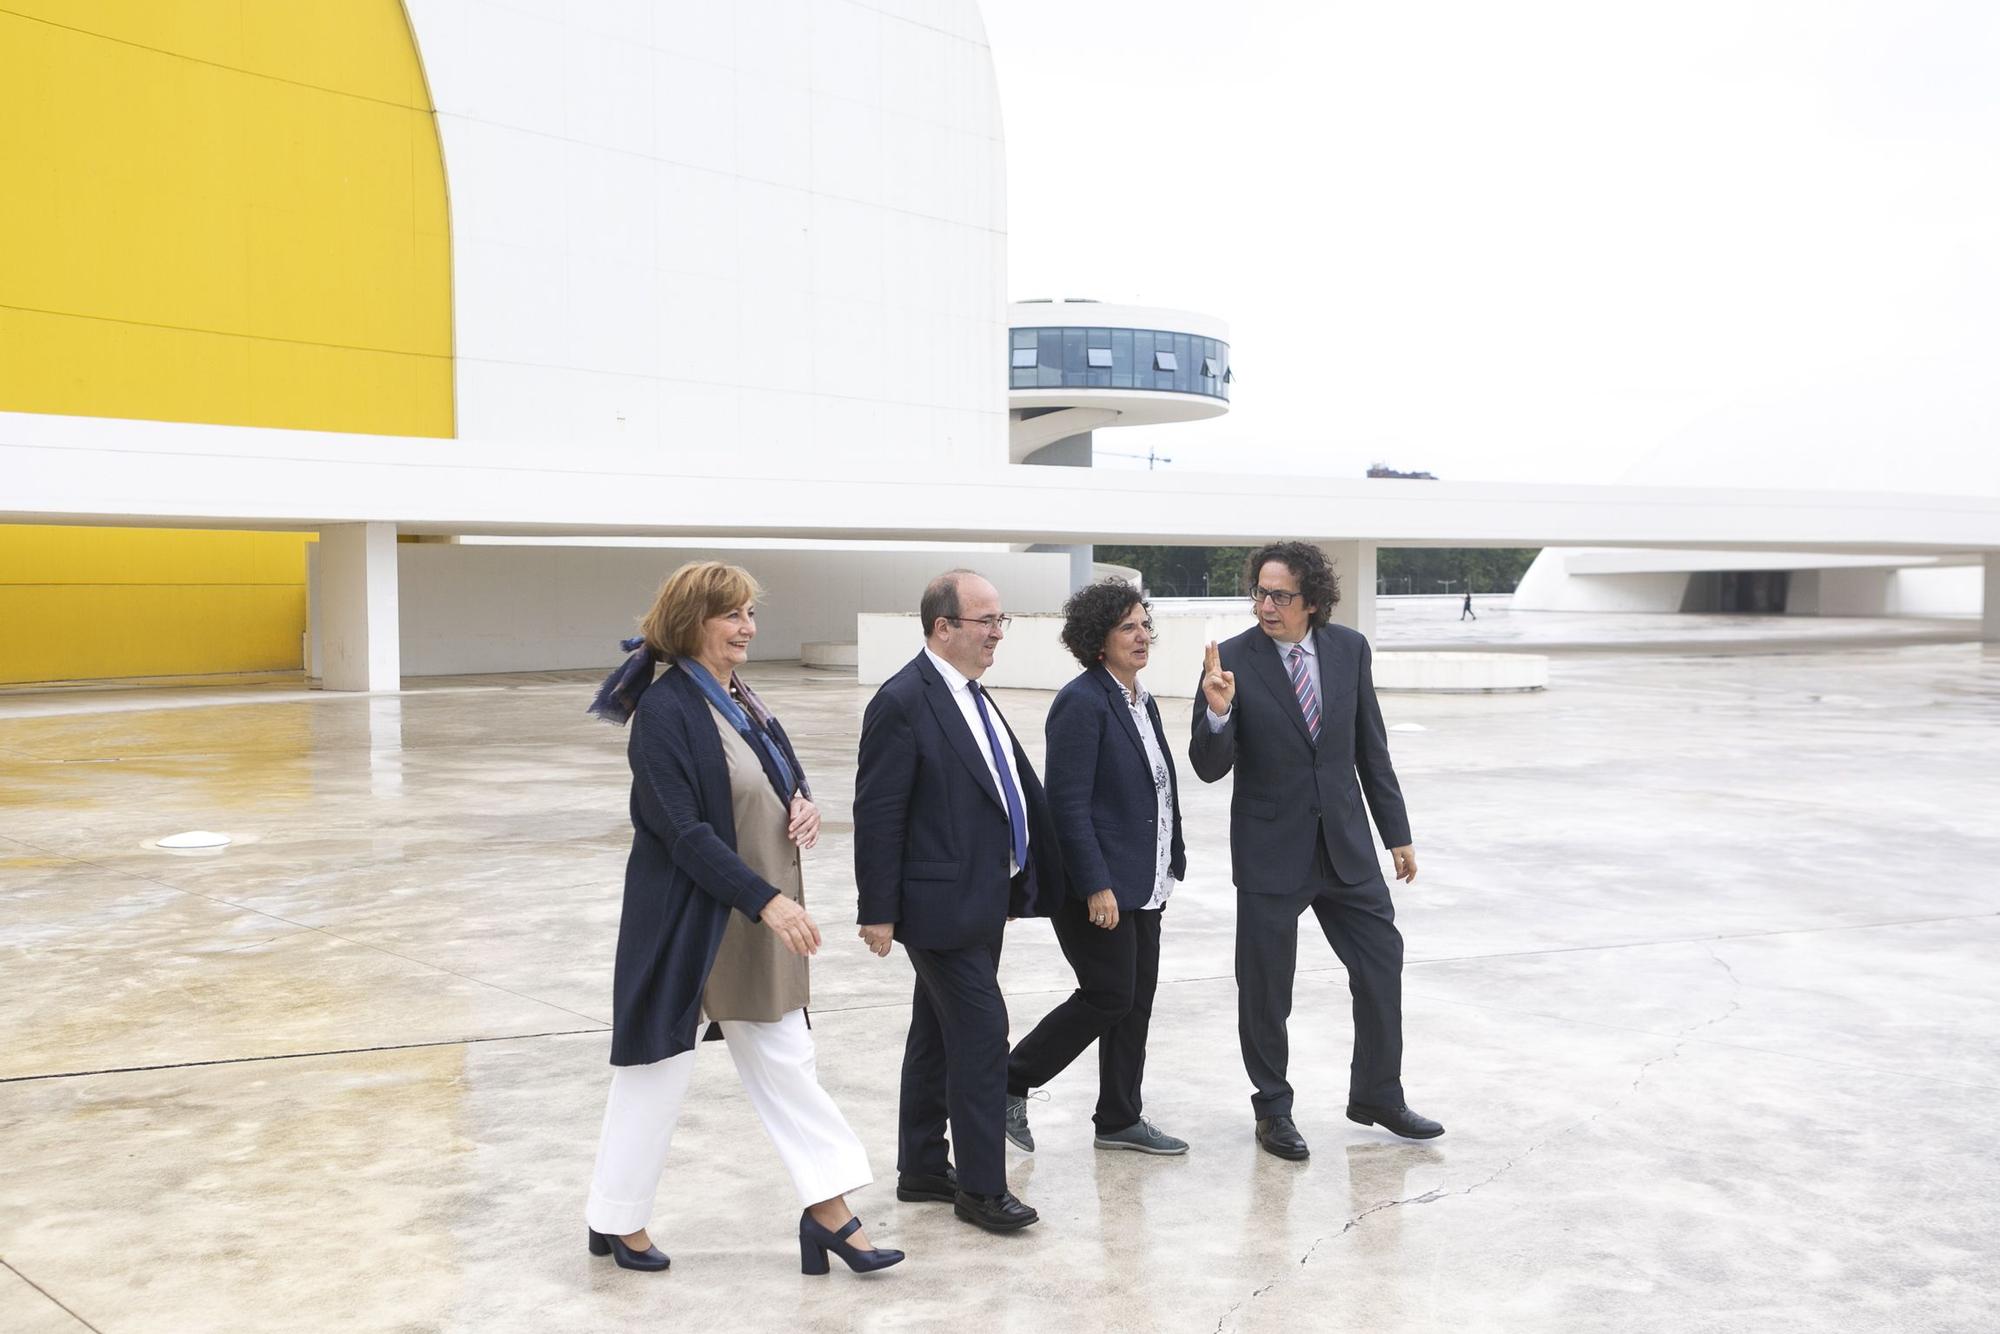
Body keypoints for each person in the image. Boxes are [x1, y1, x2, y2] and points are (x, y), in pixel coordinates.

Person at [581, 561, 902, 1276]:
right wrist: (768, 900)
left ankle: (832, 1216)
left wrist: (803, 800)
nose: (748, 629)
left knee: (789, 1060)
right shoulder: (664, 715)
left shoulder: (741, 699)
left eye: (751, 614)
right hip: (694, 925)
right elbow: (681, 830)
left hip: (756, 925)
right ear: (692, 622)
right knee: (654, 1075)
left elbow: (774, 771)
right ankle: (616, 1218)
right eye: (733, 616)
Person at [1189, 541, 1444, 1161]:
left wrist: (1397, 833)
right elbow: (1206, 766)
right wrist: (1217, 713)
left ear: (1313, 601)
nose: (1265, 605)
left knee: (1381, 960)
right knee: (1267, 987)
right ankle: (1273, 1108)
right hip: (1271, 850)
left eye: (1280, 595)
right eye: (1259, 592)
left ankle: (1378, 1094)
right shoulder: (1233, 660)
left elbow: (1369, 748)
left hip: (1346, 846)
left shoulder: (1349, 649)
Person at [853, 569, 1062, 1233]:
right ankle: (980, 1188)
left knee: (936, 1036)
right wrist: (877, 911)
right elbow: (879, 814)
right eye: (987, 621)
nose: (999, 632)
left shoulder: (972, 694)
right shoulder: (903, 700)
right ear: (943, 627)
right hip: (938, 907)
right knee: (980, 1036)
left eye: (1003, 620)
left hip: (983, 897)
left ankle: (920, 1168)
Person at [1005, 579, 1190, 1157]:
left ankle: (1119, 1117)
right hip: (1099, 887)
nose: (1142, 637)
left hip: (1147, 878)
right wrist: (1095, 884)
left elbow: (1157, 786)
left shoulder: (1141, 699)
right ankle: (1011, 1078)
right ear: (1097, 641)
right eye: (1127, 627)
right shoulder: (1081, 702)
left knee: (1135, 1000)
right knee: (1109, 994)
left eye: (1144, 625)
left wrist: (1170, 855)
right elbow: (1067, 805)